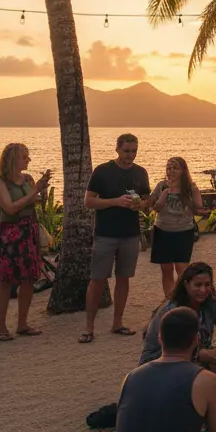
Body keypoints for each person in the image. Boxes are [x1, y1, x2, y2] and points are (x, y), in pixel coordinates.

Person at [81, 133, 151, 344]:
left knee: (123, 279)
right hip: (105, 234)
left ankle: (117, 323)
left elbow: (146, 200)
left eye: (134, 151)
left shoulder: (141, 172)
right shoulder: (102, 171)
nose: (130, 155)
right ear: (117, 149)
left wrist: (140, 204)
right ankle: (89, 327)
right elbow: (88, 201)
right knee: (97, 280)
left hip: (130, 234)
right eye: (127, 151)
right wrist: (115, 201)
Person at [140, 261, 216, 375]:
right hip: (161, 363)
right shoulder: (172, 311)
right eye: (198, 285)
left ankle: (213, 380)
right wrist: (200, 354)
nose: (203, 290)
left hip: (193, 356)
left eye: (207, 285)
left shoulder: (210, 303)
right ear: (186, 284)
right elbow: (174, 351)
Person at [0, 143, 51, 341]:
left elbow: (35, 203)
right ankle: (0, 327)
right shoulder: (0, 183)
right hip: (10, 233)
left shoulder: (27, 179)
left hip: (29, 230)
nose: (28, 160)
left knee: (29, 278)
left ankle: (22, 324)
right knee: (6, 280)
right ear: (12, 160)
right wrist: (33, 192)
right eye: (24, 157)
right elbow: (9, 209)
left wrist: (41, 189)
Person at [149, 157, 204, 299]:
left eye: (175, 168)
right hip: (162, 231)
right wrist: (164, 195)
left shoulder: (191, 188)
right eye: (168, 167)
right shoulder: (161, 186)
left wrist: (187, 196)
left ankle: (180, 298)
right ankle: (169, 300)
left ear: (183, 170)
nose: (171, 171)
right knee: (166, 270)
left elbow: (199, 209)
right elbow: (155, 208)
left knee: (182, 269)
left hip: (183, 232)